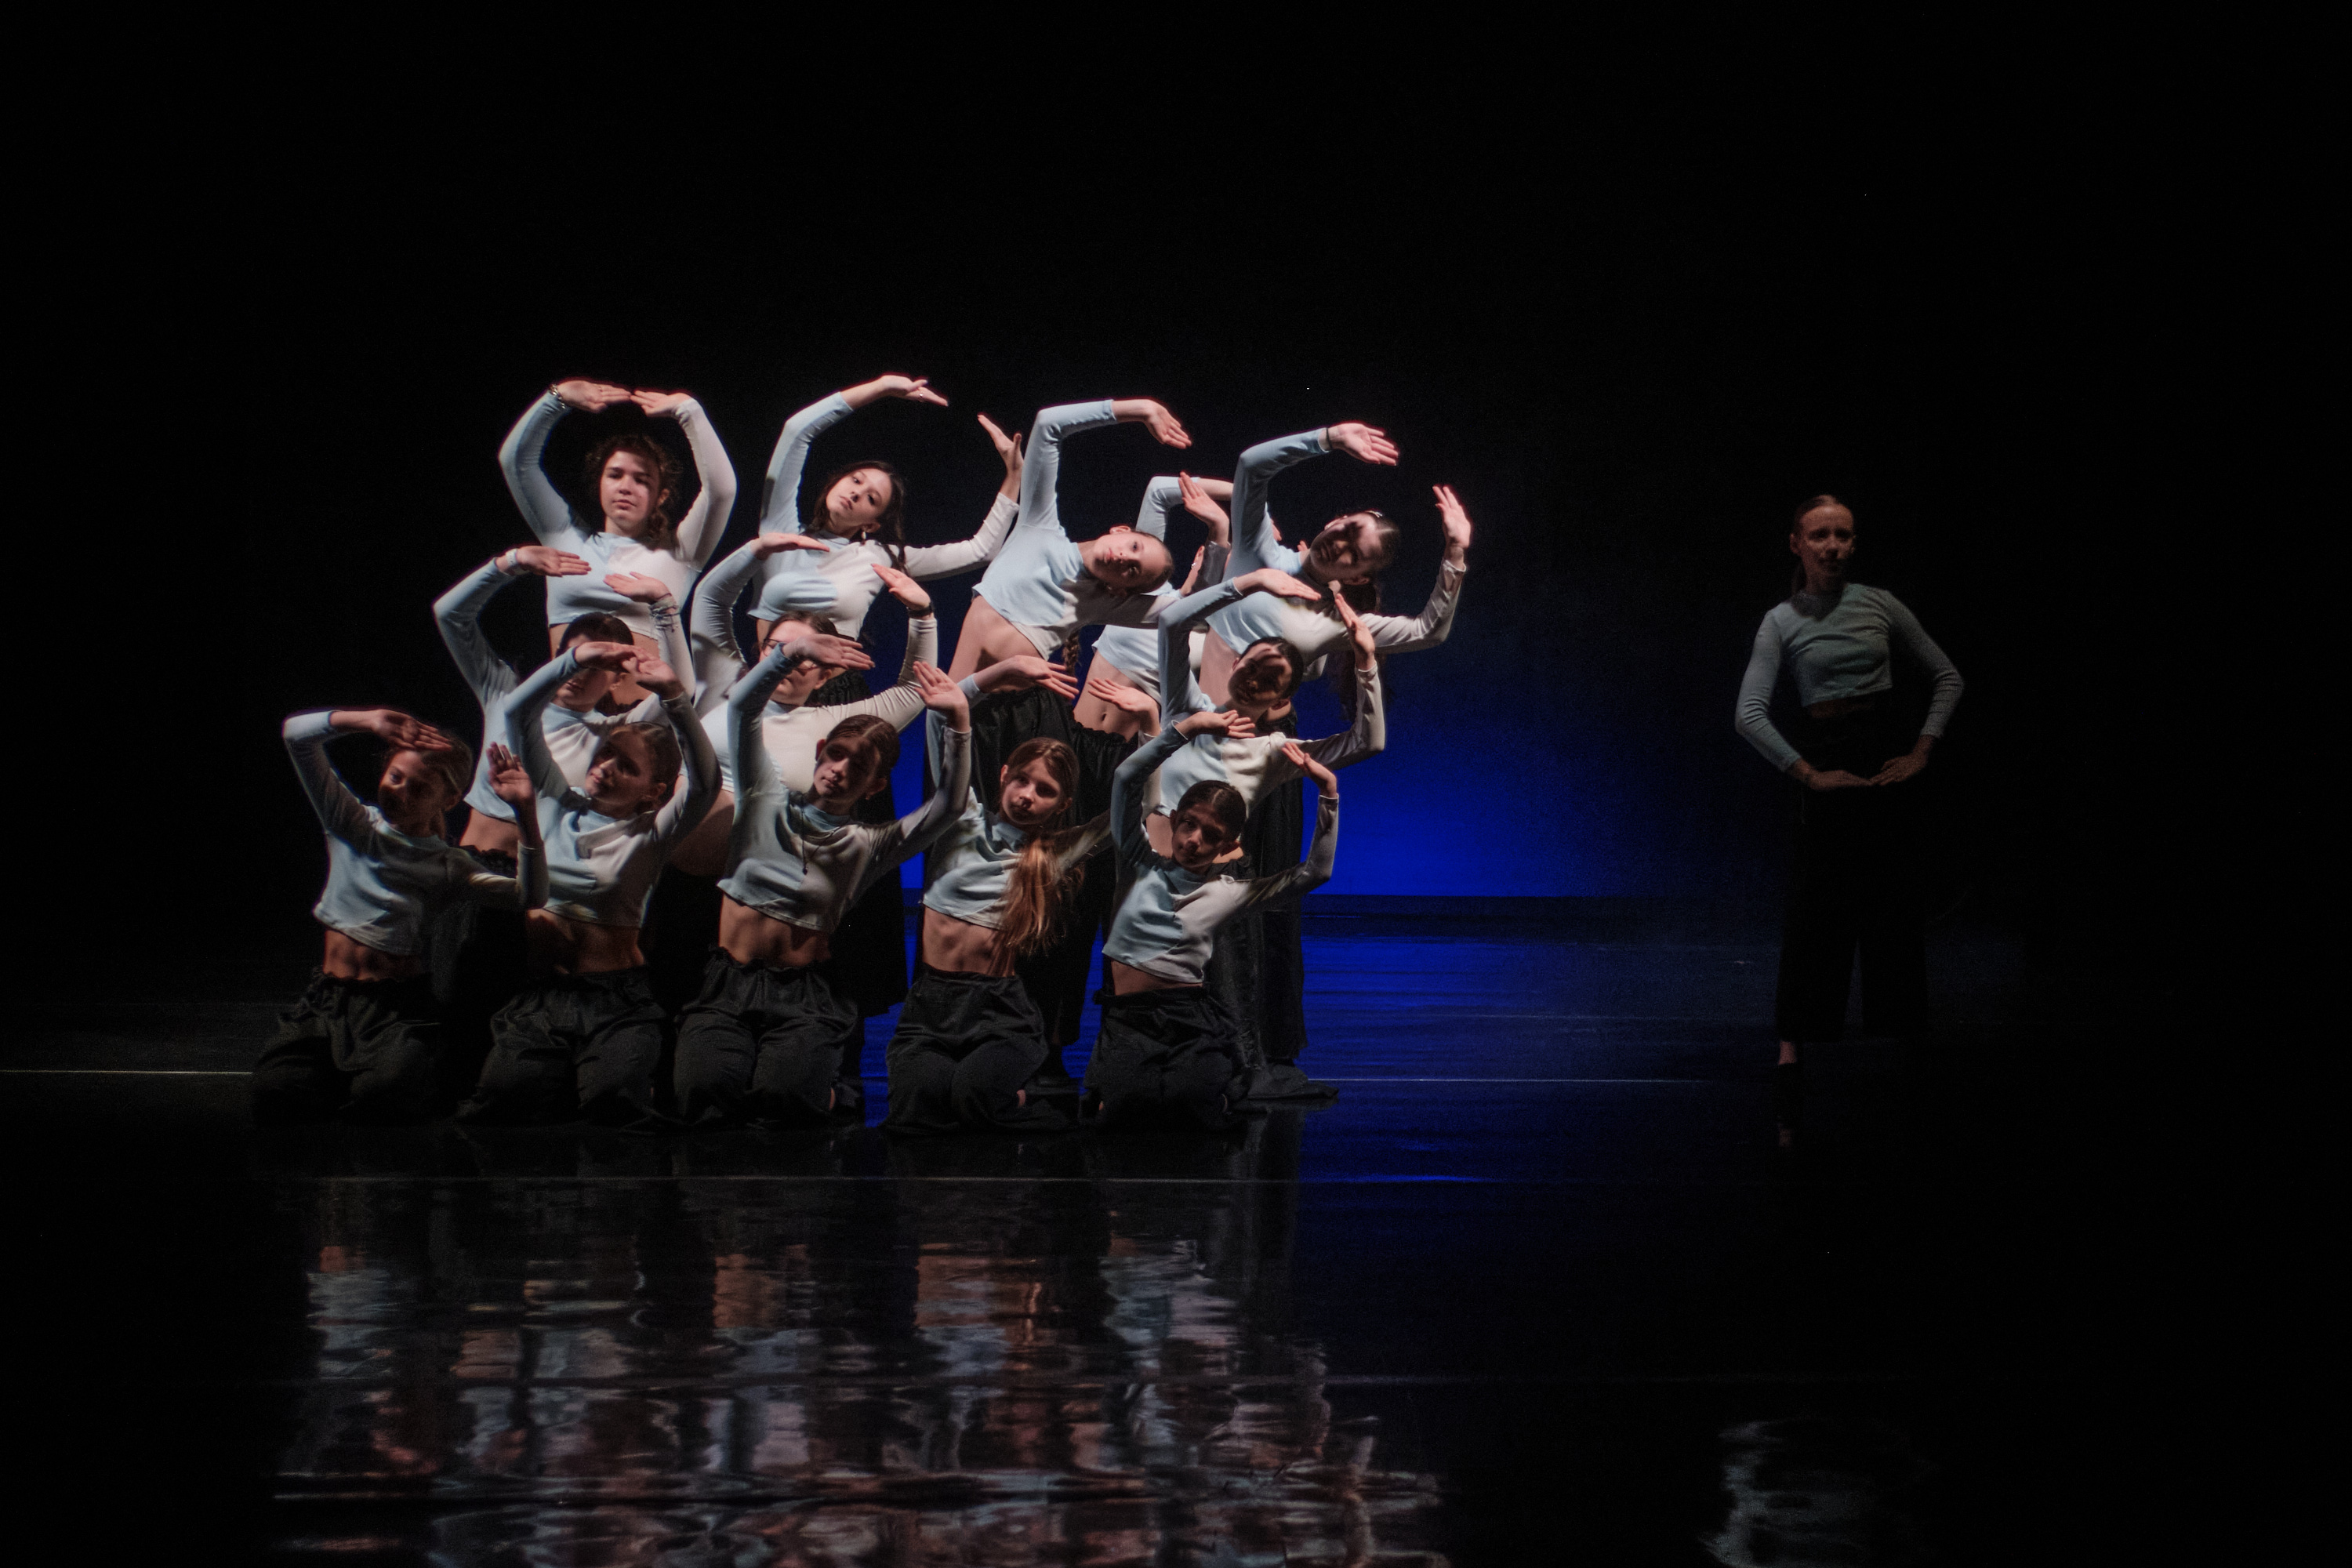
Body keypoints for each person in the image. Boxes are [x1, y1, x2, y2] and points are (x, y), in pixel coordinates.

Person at [670, 647, 975, 1129]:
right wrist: (790, 653)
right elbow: (743, 708)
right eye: (836, 754)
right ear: (820, 752)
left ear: (875, 786)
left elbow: (950, 806)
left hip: (803, 995)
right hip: (727, 984)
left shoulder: (869, 845)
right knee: (704, 1092)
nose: (840, 769)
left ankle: (823, 1092)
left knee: (786, 1100)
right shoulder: (763, 796)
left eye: (860, 766)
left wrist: (958, 720)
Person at [1735, 495, 1964, 1136]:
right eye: (1820, 535)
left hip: (1883, 765)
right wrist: (1808, 773)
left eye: (1843, 535)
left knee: (1893, 913)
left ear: (1854, 544)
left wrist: (1921, 751)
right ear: (1797, 545)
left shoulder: (1880, 604)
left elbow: (1947, 677)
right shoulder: (1781, 620)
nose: (1833, 545)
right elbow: (1748, 714)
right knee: (1815, 916)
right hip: (1829, 766)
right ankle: (1790, 1059)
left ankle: (1910, 1059)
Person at [428, 551, 694, 1098]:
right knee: (448, 1005)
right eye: (574, 659)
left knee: (511, 1020)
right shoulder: (505, 693)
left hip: (540, 887)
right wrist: (509, 565)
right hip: (477, 872)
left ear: (617, 676)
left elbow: (680, 691)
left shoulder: (611, 735)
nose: (579, 675)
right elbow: (449, 615)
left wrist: (664, 608)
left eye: (596, 665)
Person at [459, 641, 716, 1127]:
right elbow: (516, 711)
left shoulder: (650, 834)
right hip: (543, 995)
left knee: (613, 1112)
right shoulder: (554, 801)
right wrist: (576, 658)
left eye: (626, 766)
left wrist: (674, 698)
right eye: (607, 753)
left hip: (614, 1001)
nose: (605, 767)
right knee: (501, 1108)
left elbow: (705, 783)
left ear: (654, 792)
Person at [255, 710, 546, 1125]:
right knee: (278, 1092)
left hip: (393, 1009)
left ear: (448, 800)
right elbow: (295, 735)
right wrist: (368, 720)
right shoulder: (351, 823)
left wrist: (525, 815)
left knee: (386, 1098)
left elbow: (530, 896)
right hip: (325, 1000)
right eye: (395, 777)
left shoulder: (448, 865)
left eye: (419, 787)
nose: (400, 792)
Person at [881, 681, 1116, 1135]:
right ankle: (999, 1093)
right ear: (1004, 774)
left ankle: (1013, 1093)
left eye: (1045, 790)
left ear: (1062, 805)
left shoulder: (1053, 854)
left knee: (973, 1101)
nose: (1027, 795)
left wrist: (1154, 728)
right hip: (932, 1005)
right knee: (915, 1111)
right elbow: (940, 727)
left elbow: (1133, 807)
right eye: (1022, 780)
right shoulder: (960, 820)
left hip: (998, 1011)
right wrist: (987, 681)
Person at [1085, 717, 1341, 1131]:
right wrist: (1185, 729)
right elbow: (1126, 777)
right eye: (1189, 824)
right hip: (1127, 1019)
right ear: (1174, 819)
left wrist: (1328, 793)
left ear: (1228, 845)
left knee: (1190, 1111)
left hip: (1187, 1019)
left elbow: (1314, 873)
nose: (1193, 840)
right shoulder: (1136, 862)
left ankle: (1216, 1085)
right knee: (1124, 1114)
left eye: (1210, 834)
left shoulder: (1226, 893)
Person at [1200, 422, 1472, 704]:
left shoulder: (1336, 623)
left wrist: (1455, 551)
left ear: (1357, 578)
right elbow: (1250, 466)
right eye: (1348, 530)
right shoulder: (1258, 548)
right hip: (1179, 690)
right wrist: (1329, 438)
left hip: (1227, 723)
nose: (1339, 545)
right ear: (1335, 521)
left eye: (1354, 554)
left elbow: (1427, 632)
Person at [498, 379, 736, 699]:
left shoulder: (678, 552)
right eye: (615, 475)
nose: (625, 487)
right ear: (599, 483)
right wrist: (556, 399)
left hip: (644, 721)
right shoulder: (564, 537)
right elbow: (516, 463)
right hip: (564, 716)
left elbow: (722, 491)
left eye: (642, 480)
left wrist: (688, 411)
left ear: (661, 496)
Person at [746, 374, 1025, 643]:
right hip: (762, 671)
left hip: (837, 676)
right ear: (836, 481)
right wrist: (881, 388)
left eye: (872, 499)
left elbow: (981, 551)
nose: (856, 493)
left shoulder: (877, 557)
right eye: (856, 480)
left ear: (871, 524)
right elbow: (796, 432)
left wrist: (1014, 477)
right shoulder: (780, 534)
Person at [946, 397, 1193, 678]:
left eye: (1133, 570)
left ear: (1121, 590)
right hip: (963, 696)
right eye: (1134, 546)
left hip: (1019, 704)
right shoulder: (1038, 528)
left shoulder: (1105, 604)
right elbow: (1048, 425)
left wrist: (1220, 529)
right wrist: (1142, 408)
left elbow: (1194, 609)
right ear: (1121, 530)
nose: (1125, 557)